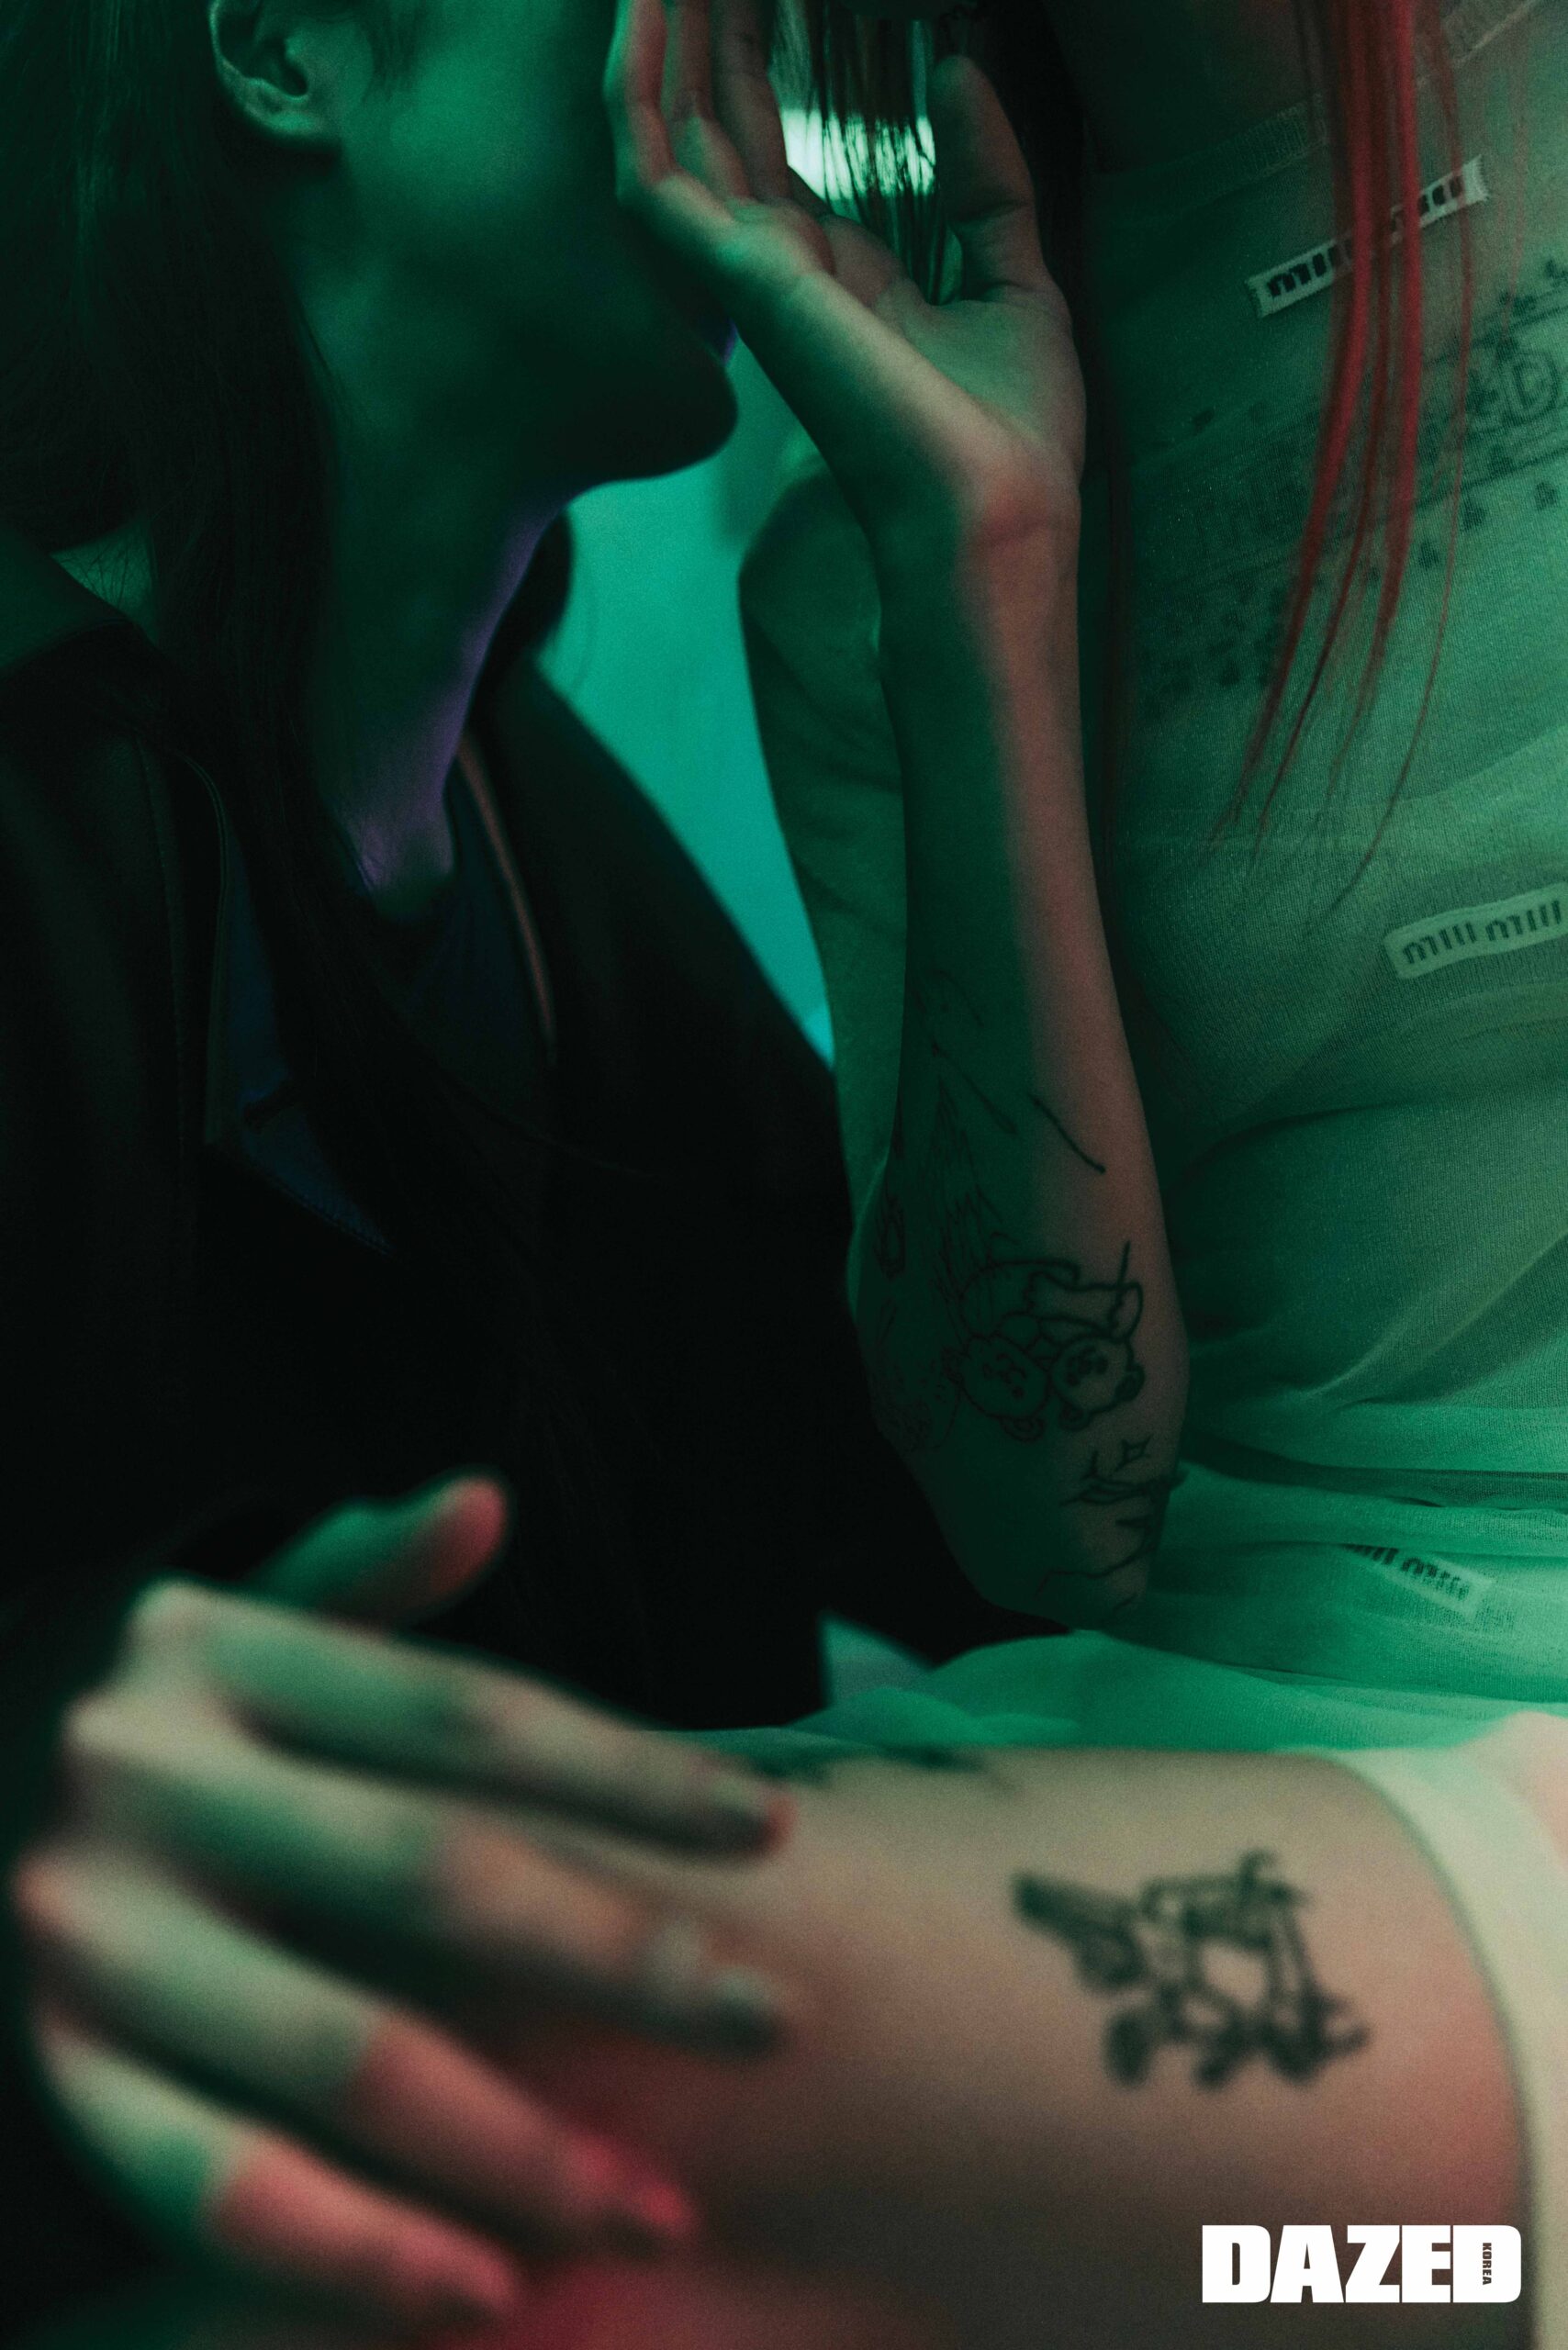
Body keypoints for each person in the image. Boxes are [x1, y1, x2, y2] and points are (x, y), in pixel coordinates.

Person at [11, 0, 1568, 2345]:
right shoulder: (145, 819)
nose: (718, 51)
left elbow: (909, 1516)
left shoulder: (548, 877)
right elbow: (1029, 1503)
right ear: (276, 51)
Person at [0, 0, 1047, 2331]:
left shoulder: (547, 856)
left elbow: (991, 1525)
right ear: (277, 49)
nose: (758, 75)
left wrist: (977, 587)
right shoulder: (43, 821)